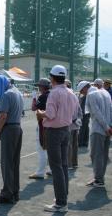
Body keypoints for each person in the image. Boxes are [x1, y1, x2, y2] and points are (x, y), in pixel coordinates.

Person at [36, 65, 78, 213]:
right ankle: (63, 197)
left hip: (54, 131)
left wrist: (41, 113)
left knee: (56, 167)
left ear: (52, 78)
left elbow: (51, 114)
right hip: (66, 130)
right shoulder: (71, 92)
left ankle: (61, 203)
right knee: (64, 165)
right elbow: (74, 114)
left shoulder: (54, 93)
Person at [0, 75, 24, 204]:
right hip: (17, 128)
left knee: (6, 163)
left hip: (9, 129)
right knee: (15, 162)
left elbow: (3, 116)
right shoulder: (17, 92)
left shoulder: (6, 94)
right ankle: (15, 192)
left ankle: (7, 194)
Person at [82, 80, 112, 187]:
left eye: (82, 91)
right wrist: (109, 126)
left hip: (99, 129)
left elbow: (95, 112)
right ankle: (99, 178)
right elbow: (110, 110)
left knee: (96, 155)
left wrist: (106, 126)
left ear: (85, 88)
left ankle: (98, 179)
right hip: (107, 129)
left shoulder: (91, 94)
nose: (83, 94)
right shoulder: (105, 92)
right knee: (103, 154)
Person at [29, 78, 51, 179]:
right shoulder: (52, 95)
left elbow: (33, 108)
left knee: (41, 148)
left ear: (42, 87)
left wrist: (34, 98)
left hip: (43, 124)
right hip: (51, 124)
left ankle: (40, 172)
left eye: (39, 86)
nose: (38, 88)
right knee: (50, 148)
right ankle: (50, 169)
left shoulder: (43, 97)